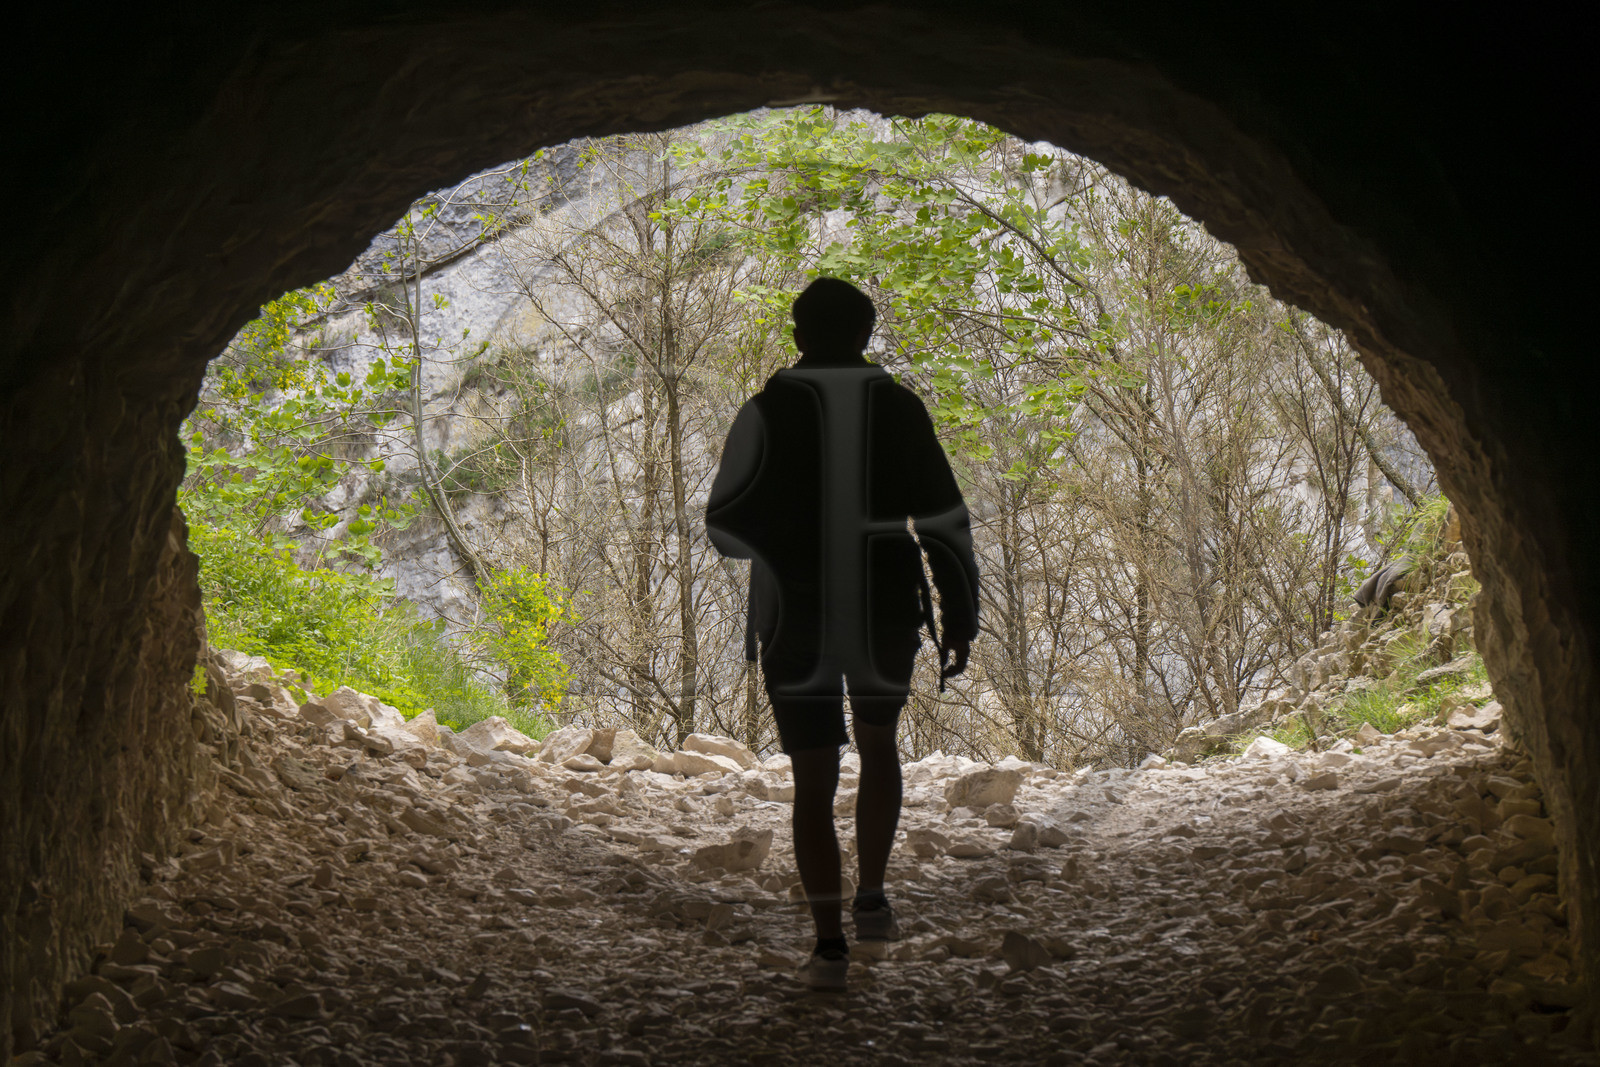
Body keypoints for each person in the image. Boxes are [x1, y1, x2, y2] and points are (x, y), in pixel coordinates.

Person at [706, 277, 980, 990]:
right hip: (886, 604)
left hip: (794, 614)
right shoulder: (898, 409)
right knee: (881, 744)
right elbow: (946, 520)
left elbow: (723, 530)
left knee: (813, 775)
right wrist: (961, 612)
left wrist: (786, 537)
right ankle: (873, 899)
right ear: (867, 334)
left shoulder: (764, 413)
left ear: (797, 335)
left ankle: (829, 943)